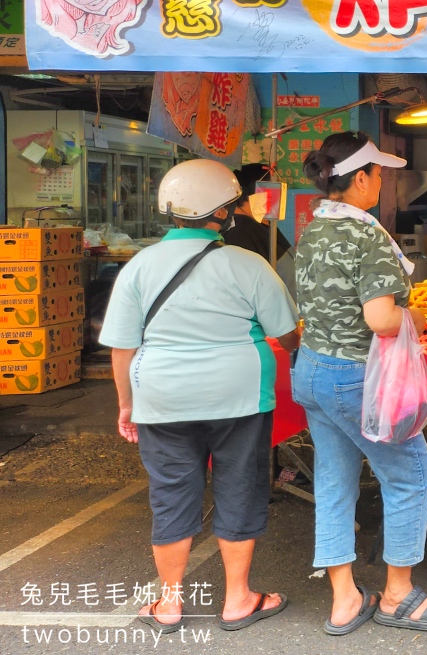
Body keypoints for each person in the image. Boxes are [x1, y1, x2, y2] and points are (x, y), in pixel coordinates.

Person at [99, 159, 300, 634]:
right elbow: (289, 336)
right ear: (226, 212)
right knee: (240, 487)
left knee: (171, 495)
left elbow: (122, 349)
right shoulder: (249, 264)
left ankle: (168, 603)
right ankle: (237, 599)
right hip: (241, 398)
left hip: (161, 398)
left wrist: (127, 405)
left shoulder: (139, 267)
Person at [292, 132, 427, 637]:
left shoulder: (314, 228)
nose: (383, 182)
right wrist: (415, 311)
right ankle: (398, 594)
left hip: (313, 371)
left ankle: (344, 599)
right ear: (360, 178)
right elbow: (382, 319)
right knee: (411, 475)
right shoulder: (367, 235)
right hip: (355, 377)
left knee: (335, 481)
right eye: (379, 174)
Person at [222, 163, 296, 297]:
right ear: (255, 193)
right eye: (272, 191)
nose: (278, 198)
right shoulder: (242, 231)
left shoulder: (261, 224)